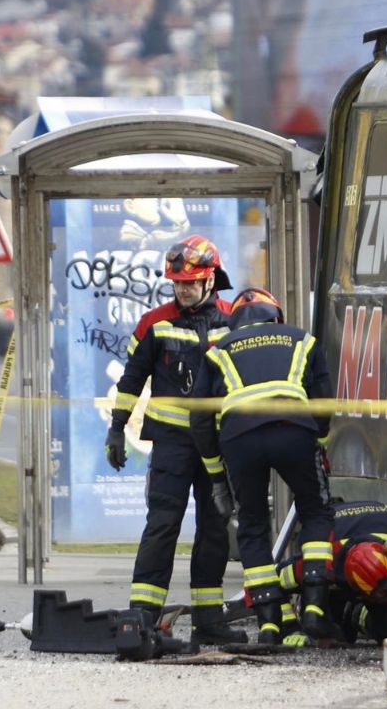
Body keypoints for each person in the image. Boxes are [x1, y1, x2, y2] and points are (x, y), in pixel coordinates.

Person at [104, 234, 246, 646]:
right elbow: (131, 380)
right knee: (162, 524)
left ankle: (208, 619)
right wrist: (117, 427)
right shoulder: (155, 322)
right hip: (171, 444)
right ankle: (143, 615)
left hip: (217, 445)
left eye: (191, 282)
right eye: (177, 282)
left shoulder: (232, 320)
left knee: (215, 528)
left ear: (210, 281)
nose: (182, 289)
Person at [189, 287, 335, 645]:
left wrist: (216, 478)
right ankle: (314, 603)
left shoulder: (217, 351)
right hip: (294, 430)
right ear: (276, 317)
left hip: (239, 440)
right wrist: (320, 442)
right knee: (315, 511)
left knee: (252, 526)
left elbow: (200, 420)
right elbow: (324, 401)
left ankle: (270, 620)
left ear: (233, 323)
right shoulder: (302, 339)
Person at [277, 500, 387, 647]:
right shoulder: (323, 556)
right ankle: (340, 609)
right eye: (381, 594)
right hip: (337, 545)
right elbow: (274, 581)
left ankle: (360, 613)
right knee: (328, 633)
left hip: (382, 524)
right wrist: (290, 627)